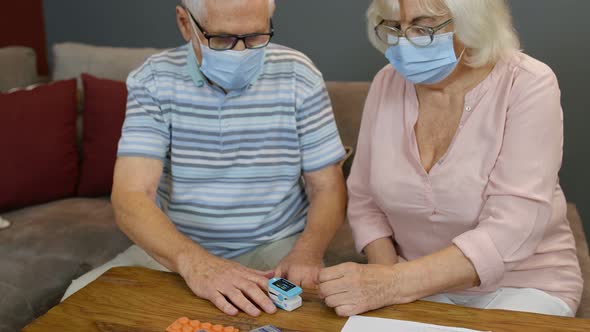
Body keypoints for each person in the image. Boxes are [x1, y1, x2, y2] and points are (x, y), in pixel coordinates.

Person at [62, 0, 347, 317]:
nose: (241, 53)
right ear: (185, 23)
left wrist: (307, 253)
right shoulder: (152, 81)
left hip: (277, 246)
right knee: (76, 306)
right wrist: (196, 263)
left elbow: (328, 187)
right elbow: (131, 195)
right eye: (223, 39)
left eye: (255, 37)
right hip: (179, 246)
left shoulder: (299, 75)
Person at [319, 0, 582, 317]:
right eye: (394, 26)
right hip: (413, 285)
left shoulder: (528, 83)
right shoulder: (387, 83)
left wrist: (393, 284)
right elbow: (364, 199)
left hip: (522, 285)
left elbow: (513, 227)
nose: (404, 42)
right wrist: (385, 279)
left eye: (423, 26)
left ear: (472, 23)